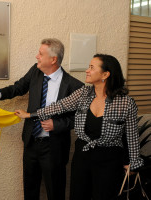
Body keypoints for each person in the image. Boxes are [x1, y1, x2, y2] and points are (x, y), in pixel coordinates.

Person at [16, 54, 145, 200]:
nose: (87, 71)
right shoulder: (83, 93)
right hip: (82, 158)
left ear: (105, 74)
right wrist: (30, 115)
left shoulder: (126, 103)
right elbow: (59, 107)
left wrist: (133, 164)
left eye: (91, 67)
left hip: (109, 161)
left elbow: (132, 136)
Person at [0, 38, 83, 200]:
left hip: (54, 147)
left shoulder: (74, 85)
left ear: (53, 59)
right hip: (31, 143)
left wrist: (57, 124)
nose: (37, 57)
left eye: (41, 54)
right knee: (30, 190)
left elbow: (78, 118)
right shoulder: (36, 71)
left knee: (55, 191)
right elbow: (17, 88)